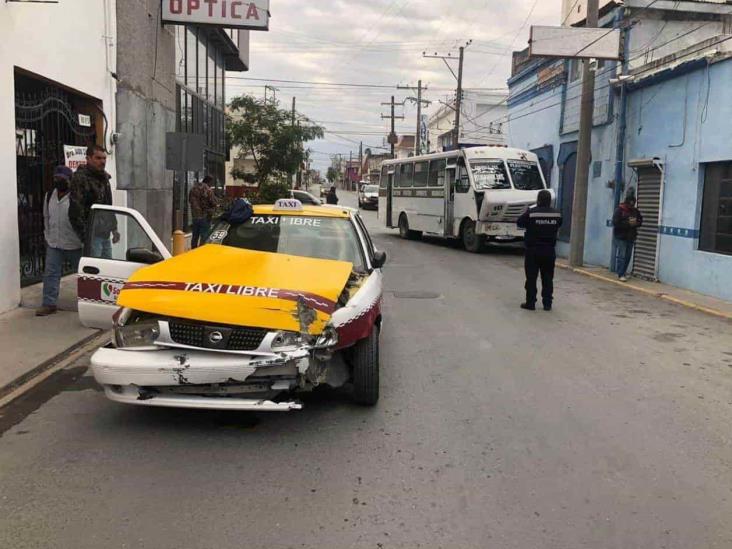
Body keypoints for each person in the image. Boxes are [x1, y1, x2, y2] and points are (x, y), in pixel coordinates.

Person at [36, 166, 84, 317]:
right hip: (54, 243)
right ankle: (49, 304)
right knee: (51, 274)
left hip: (75, 243)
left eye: (62, 179)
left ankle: (88, 304)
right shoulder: (49, 195)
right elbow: (46, 216)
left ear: (70, 180)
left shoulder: (76, 197)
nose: (59, 181)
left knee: (83, 275)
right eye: (56, 179)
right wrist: (47, 235)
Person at [68, 144, 119, 259]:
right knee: (94, 272)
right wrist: (86, 236)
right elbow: (75, 211)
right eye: (98, 158)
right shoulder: (80, 179)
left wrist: (114, 228)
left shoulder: (104, 178)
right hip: (92, 236)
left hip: (105, 235)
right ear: (88, 159)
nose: (102, 161)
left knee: (107, 271)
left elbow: (108, 205)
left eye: (104, 158)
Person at [517, 189, 563, 311]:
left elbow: (520, 223)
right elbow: (559, 224)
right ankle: (547, 304)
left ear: (538, 200)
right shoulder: (557, 214)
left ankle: (530, 302)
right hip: (549, 250)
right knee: (548, 278)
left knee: (531, 277)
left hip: (533, 250)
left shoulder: (531, 213)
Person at [612, 191, 644, 282]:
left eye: (633, 204)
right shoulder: (619, 210)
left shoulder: (635, 211)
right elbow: (615, 223)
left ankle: (623, 272)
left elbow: (640, 220)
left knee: (628, 256)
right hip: (621, 237)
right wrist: (627, 224)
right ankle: (620, 274)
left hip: (631, 236)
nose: (631, 206)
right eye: (630, 204)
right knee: (622, 255)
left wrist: (636, 223)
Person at [189, 175, 217, 248]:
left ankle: (193, 252)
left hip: (195, 216)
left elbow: (190, 201)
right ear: (209, 181)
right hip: (205, 216)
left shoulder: (193, 189)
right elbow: (213, 202)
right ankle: (201, 252)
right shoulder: (208, 190)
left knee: (195, 236)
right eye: (211, 183)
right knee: (204, 236)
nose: (212, 184)